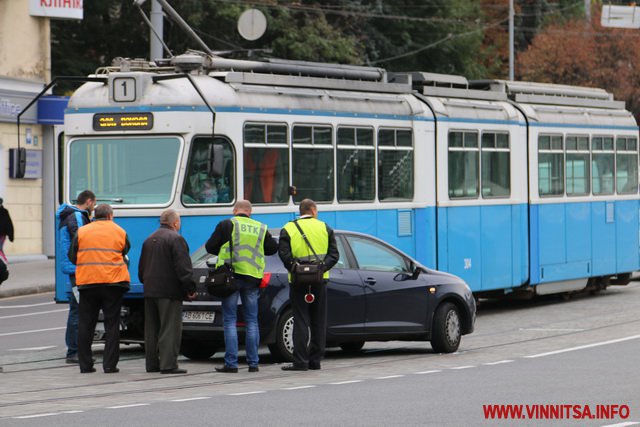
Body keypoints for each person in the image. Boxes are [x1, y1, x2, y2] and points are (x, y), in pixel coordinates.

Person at [206, 200, 277, 373]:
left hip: (230, 278)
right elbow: (272, 249)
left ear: (235, 210)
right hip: (252, 277)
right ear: (250, 212)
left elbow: (210, 246)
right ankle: (253, 363)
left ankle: (231, 364)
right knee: (251, 320)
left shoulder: (226, 224)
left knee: (230, 320)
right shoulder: (261, 227)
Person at [278, 199, 339, 371]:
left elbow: (283, 254)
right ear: (313, 210)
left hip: (298, 282)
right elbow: (334, 254)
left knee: (300, 320)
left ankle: (300, 361)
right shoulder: (325, 228)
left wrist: (295, 268)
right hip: (320, 281)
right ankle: (315, 361)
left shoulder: (288, 228)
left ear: (301, 211)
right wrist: (321, 268)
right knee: (318, 320)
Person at [69, 204, 130, 374]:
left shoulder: (82, 231)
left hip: (88, 283)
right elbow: (125, 251)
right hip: (113, 283)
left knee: (86, 324)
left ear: (95, 216)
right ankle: (110, 365)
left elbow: (72, 256)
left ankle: (85, 365)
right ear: (110, 215)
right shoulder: (119, 231)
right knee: (112, 324)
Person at [139, 209, 197, 374]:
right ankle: (168, 364)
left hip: (150, 290)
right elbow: (184, 268)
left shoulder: (149, 239)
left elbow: (141, 268)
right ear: (175, 223)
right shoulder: (176, 239)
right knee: (170, 328)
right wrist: (190, 288)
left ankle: (152, 364)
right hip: (169, 291)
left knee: (151, 330)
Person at [56, 190, 96, 364]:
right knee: (78, 311)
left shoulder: (71, 215)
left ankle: (73, 350)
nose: (94, 207)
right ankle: (74, 351)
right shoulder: (77, 217)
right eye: (93, 204)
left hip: (74, 268)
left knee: (76, 309)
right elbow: (84, 240)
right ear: (88, 202)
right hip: (77, 269)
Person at [0, 198, 14, 263]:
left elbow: (9, 223)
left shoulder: (4, 212)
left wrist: (11, 235)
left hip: (2, 234)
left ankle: (4, 261)